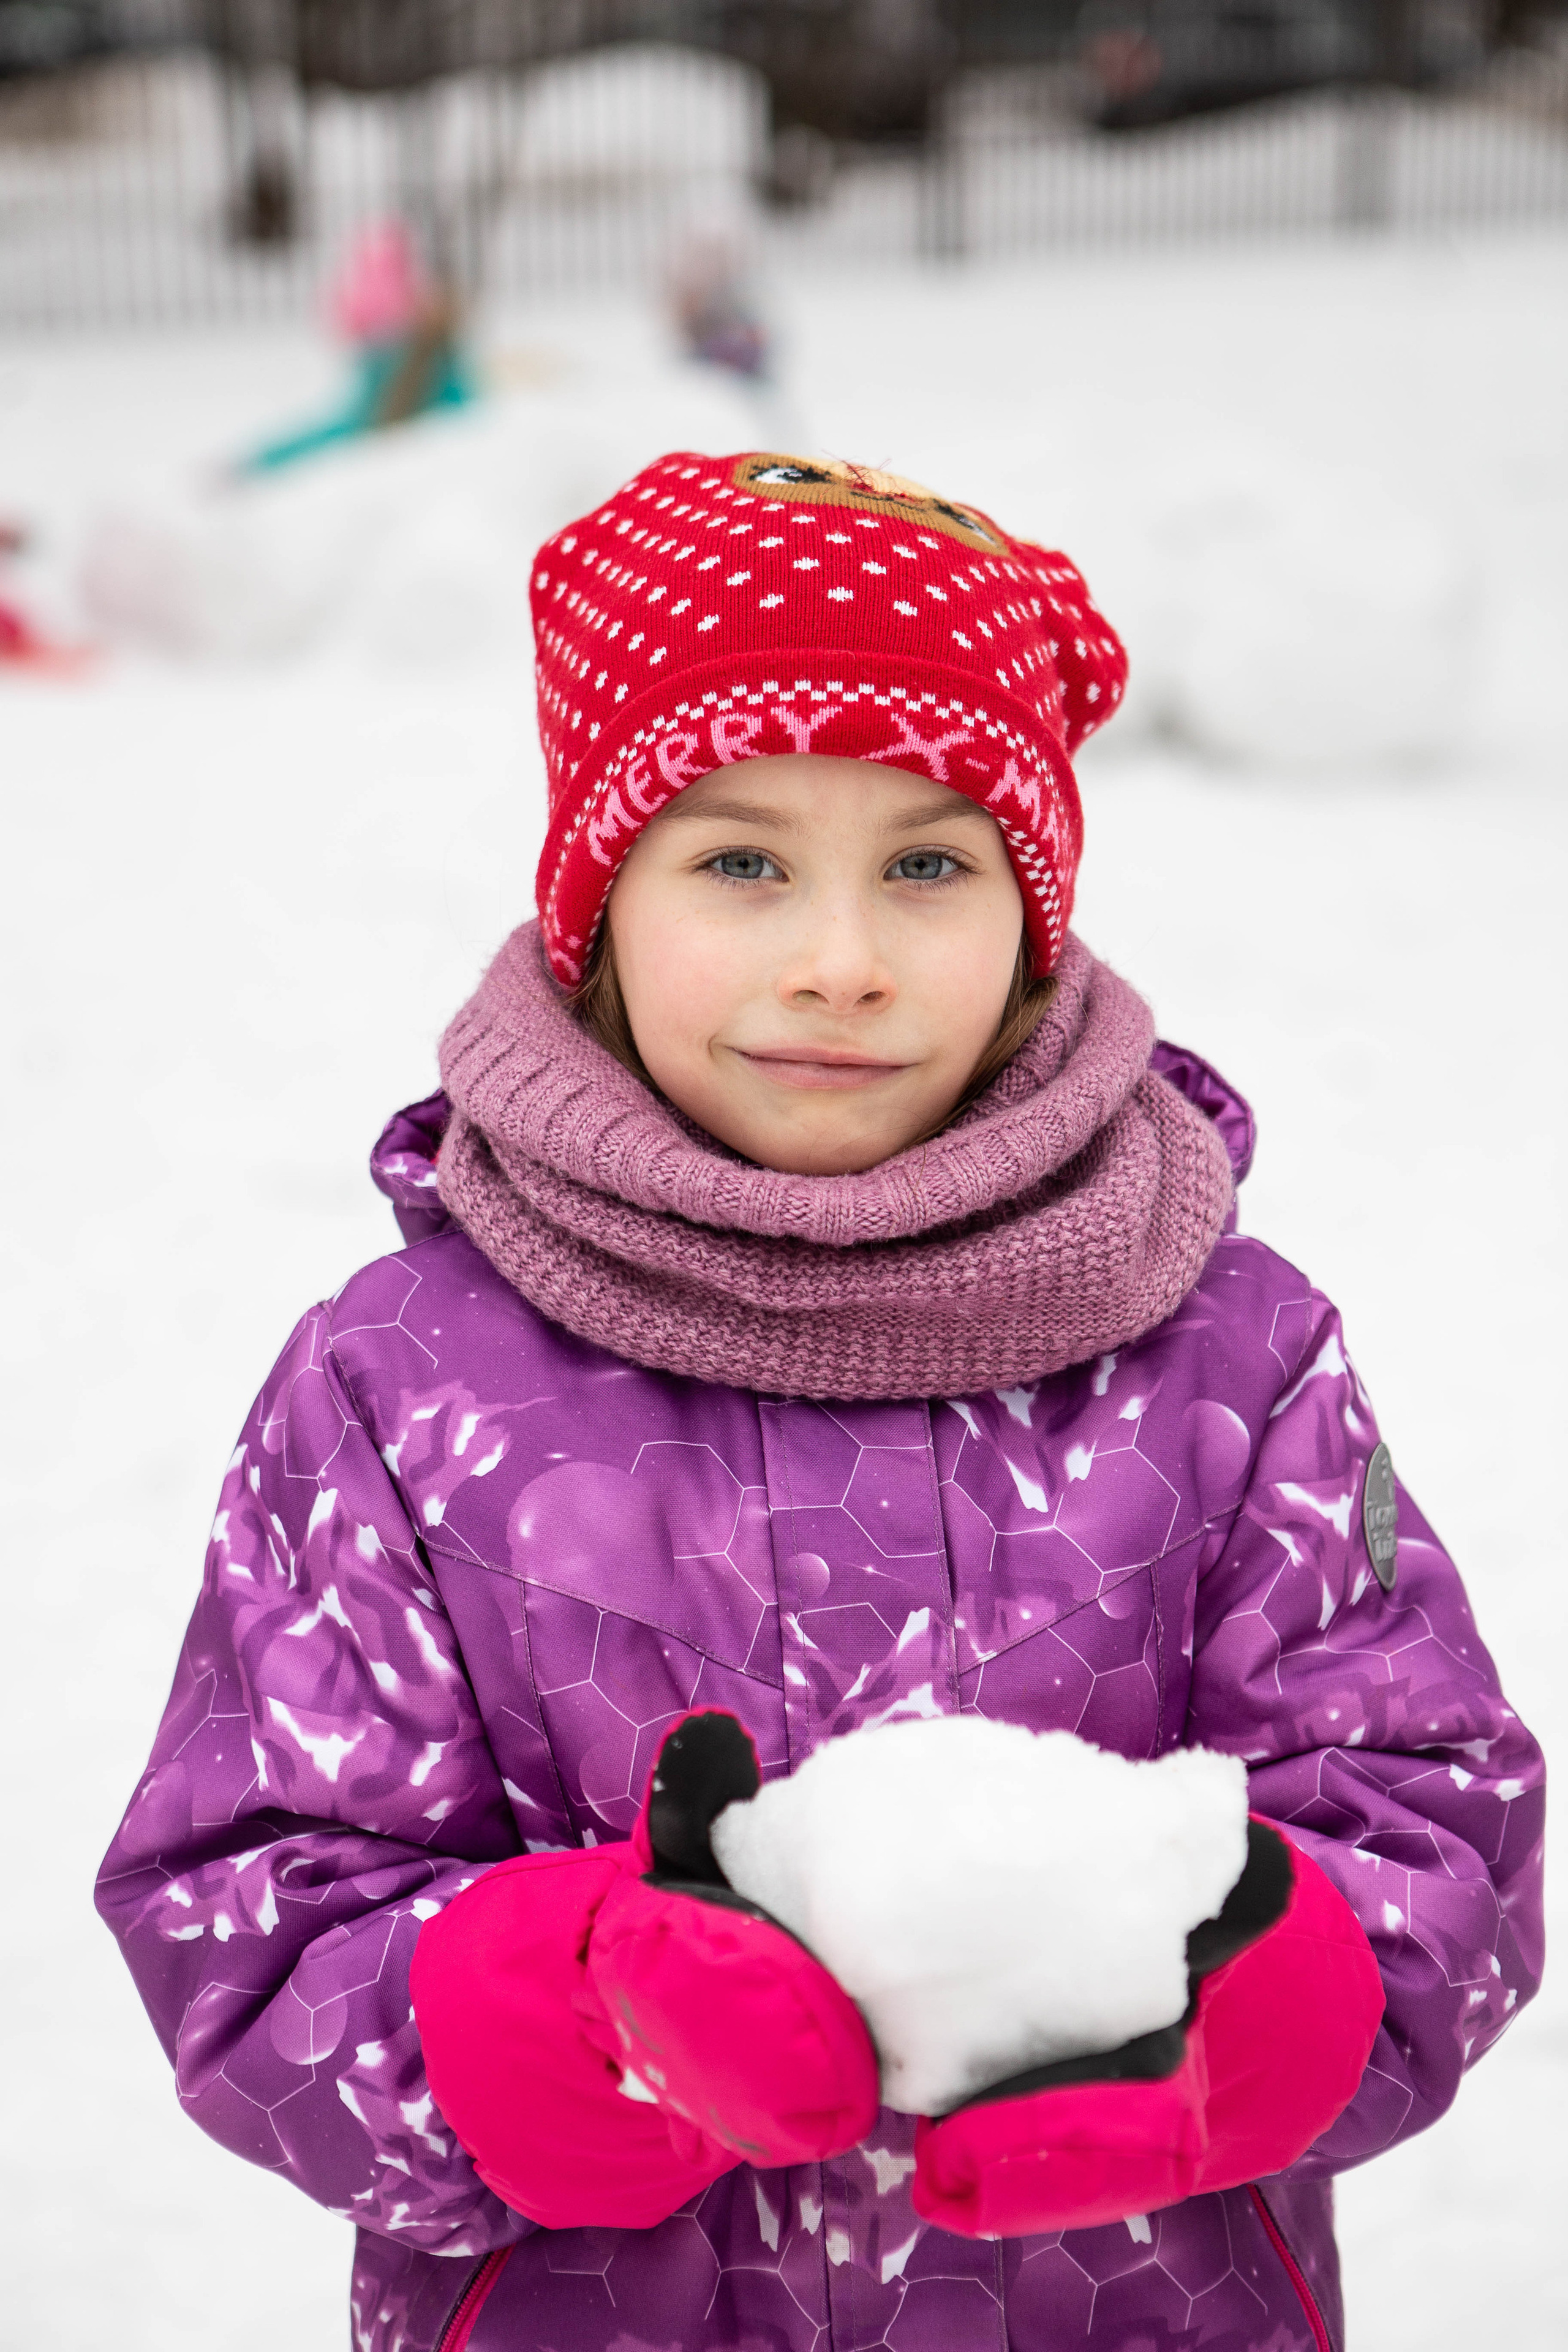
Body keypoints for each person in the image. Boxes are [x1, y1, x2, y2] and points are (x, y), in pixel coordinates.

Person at [97, 450, 1544, 2352]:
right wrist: (574, 2012)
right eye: (741, 861)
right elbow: (247, 1920)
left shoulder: (1225, 1357)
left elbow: (1431, 1812)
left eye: (930, 865)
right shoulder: (397, 1387)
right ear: (600, 899)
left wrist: (1270, 2001)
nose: (841, 963)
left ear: (1032, 918)